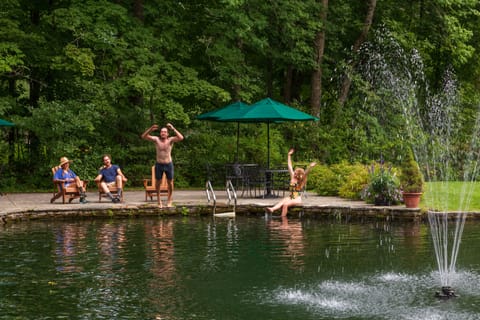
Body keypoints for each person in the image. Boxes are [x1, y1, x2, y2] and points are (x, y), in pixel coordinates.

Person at [141, 123, 184, 208]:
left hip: (169, 164)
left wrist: (173, 128)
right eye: (161, 132)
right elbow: (143, 136)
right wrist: (150, 129)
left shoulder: (171, 140)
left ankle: (169, 199)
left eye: (165, 132)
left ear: (167, 133)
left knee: (170, 183)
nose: (163, 133)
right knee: (158, 183)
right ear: (160, 133)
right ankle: (159, 200)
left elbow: (181, 137)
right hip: (159, 164)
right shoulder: (156, 140)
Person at [265, 148, 316, 216]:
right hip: (291, 197)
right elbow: (289, 166)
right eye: (294, 172)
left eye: (295, 173)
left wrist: (310, 167)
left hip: (296, 198)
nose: (293, 174)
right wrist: (289, 155)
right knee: (282, 201)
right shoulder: (292, 177)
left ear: (298, 175)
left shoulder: (300, 181)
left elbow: (305, 173)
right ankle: (272, 209)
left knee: (285, 204)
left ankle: (283, 220)